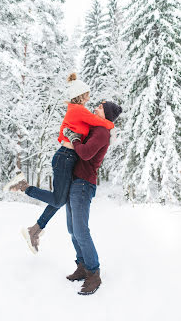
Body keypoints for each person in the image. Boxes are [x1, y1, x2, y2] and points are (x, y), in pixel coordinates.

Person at [5, 73, 114, 252]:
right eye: (87, 94)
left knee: (60, 199)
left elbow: (61, 135)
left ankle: (35, 229)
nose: (89, 97)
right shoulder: (79, 110)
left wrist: (72, 138)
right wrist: (111, 125)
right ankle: (23, 186)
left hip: (67, 157)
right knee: (58, 198)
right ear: (81, 95)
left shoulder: (75, 111)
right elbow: (97, 122)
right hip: (66, 157)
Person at [64, 100, 122, 295]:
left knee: (80, 230)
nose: (95, 107)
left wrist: (74, 139)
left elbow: (86, 153)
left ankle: (94, 273)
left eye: (100, 107)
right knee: (72, 229)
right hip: (75, 181)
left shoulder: (102, 132)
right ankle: (82, 265)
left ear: (106, 114)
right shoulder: (95, 128)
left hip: (83, 183)